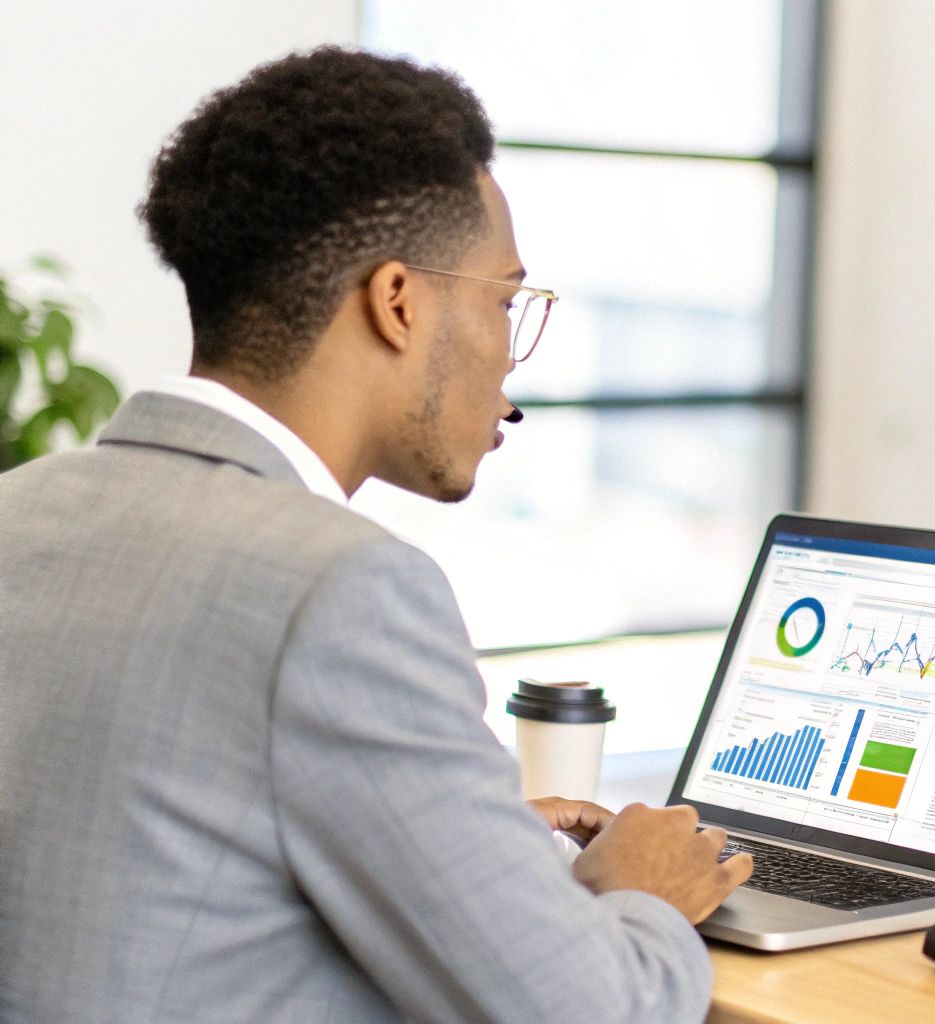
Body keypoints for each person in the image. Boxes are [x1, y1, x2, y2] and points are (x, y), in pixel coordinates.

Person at [0, 46, 750, 1023]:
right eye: (503, 301)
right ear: (398, 302)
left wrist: (464, 842)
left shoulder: (25, 504)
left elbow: (134, 842)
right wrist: (644, 891)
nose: (509, 371)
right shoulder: (338, 588)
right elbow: (589, 1010)